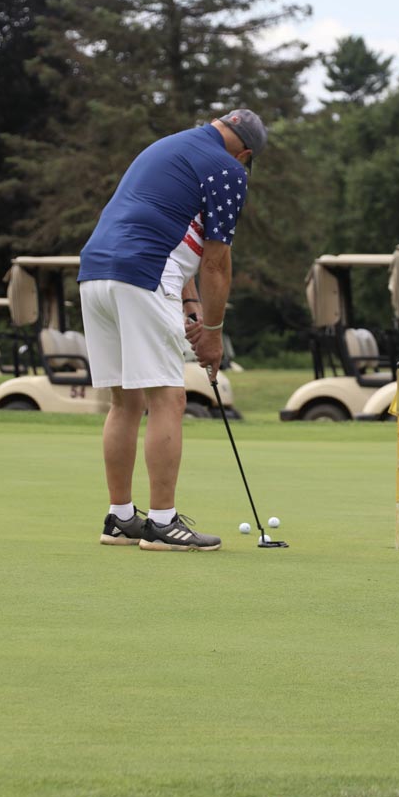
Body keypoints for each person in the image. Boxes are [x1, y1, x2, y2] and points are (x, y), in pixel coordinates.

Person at [77, 109, 268, 551]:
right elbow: (217, 262)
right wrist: (215, 334)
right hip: (144, 273)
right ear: (245, 153)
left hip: (96, 273)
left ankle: (120, 518)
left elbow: (167, 226)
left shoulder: (169, 147)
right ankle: (163, 524)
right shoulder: (227, 169)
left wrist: (190, 303)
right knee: (170, 395)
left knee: (125, 400)